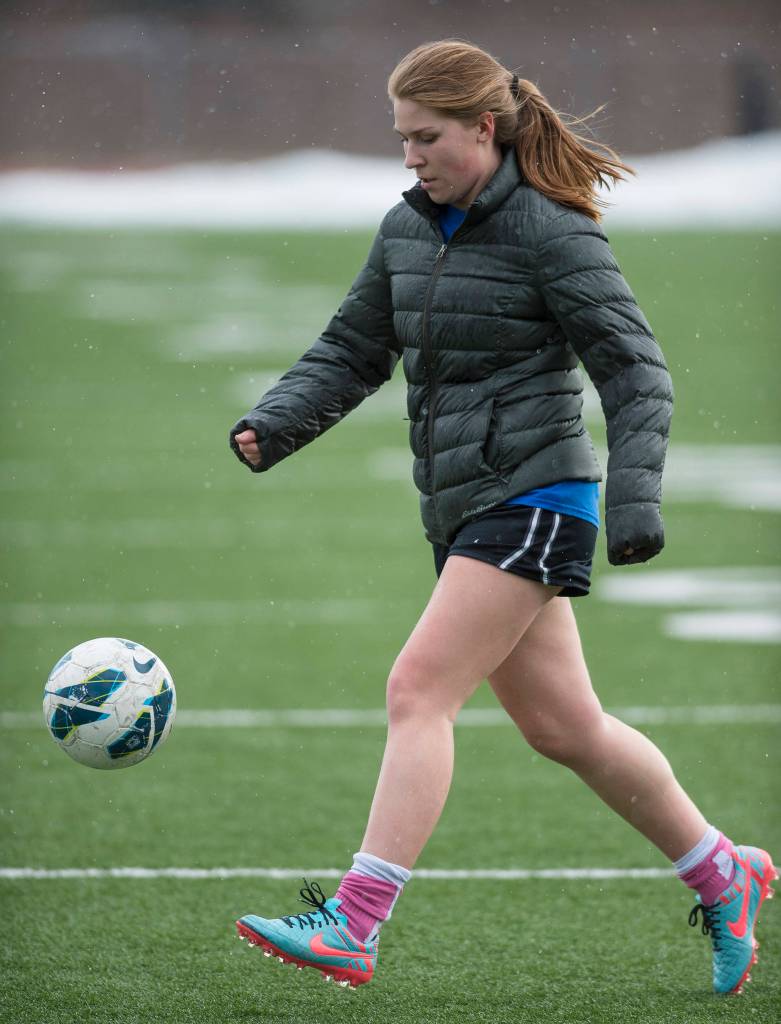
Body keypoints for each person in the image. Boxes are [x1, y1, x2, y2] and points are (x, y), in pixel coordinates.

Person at [229, 40, 775, 995]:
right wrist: (273, 423)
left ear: (483, 128)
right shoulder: (407, 230)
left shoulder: (551, 232)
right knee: (568, 730)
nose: (410, 157)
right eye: (400, 139)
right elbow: (353, 348)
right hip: (465, 506)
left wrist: (633, 501)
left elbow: (636, 372)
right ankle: (722, 871)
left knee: (417, 689)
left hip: (536, 498)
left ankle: (354, 923)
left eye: (426, 137)